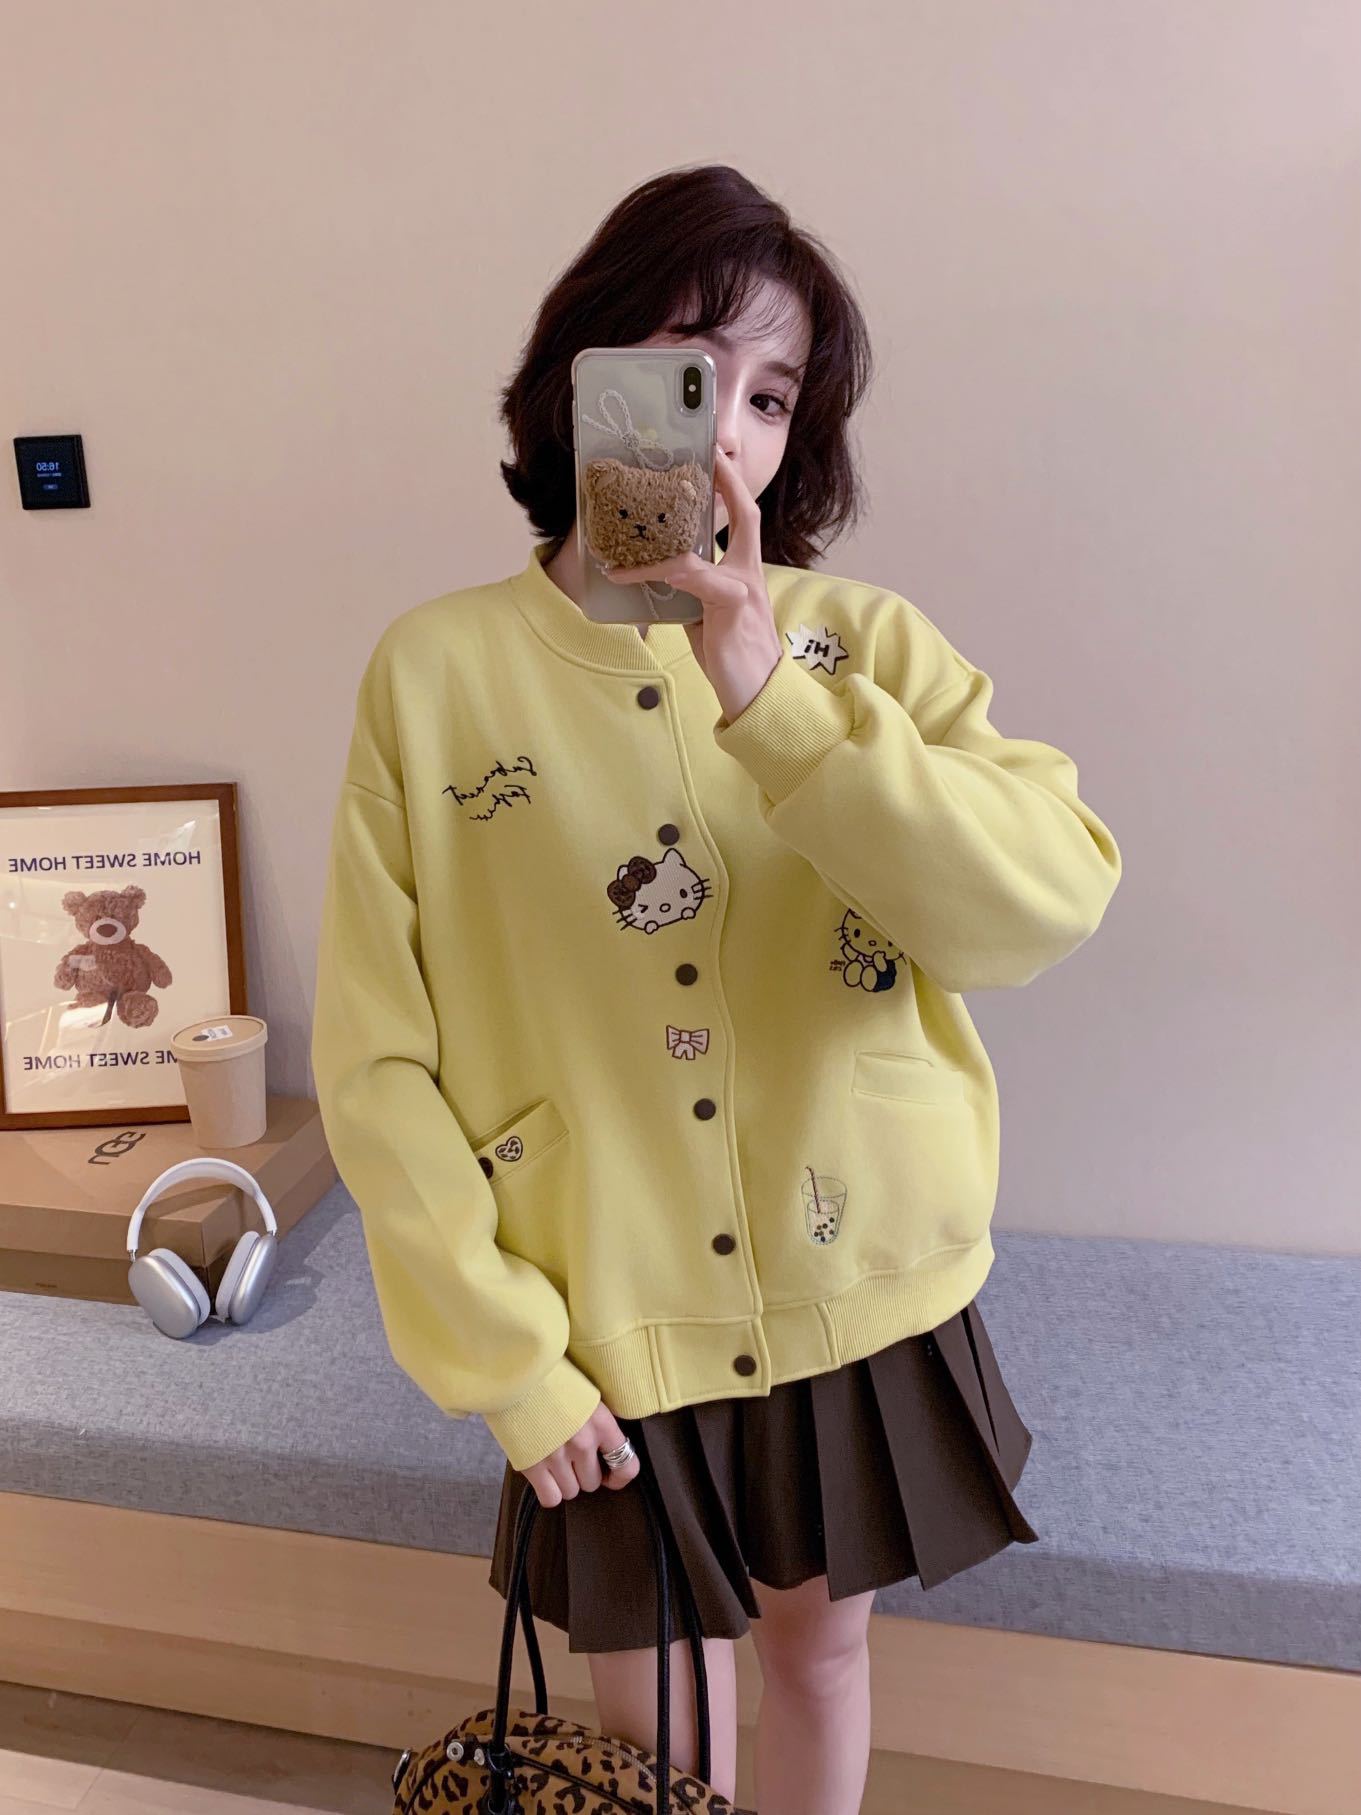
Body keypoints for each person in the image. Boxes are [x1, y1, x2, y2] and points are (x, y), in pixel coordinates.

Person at [311, 162, 1122, 1814]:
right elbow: (375, 1059)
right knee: (654, 1729)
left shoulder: (862, 648)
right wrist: (507, 1359)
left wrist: (771, 694)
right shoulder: (435, 671)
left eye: (770, 394)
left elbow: (1034, 905)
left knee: (822, 1661)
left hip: (854, 1277)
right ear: (582, 375)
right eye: (688, 372)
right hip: (601, 1306)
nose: (731, 430)